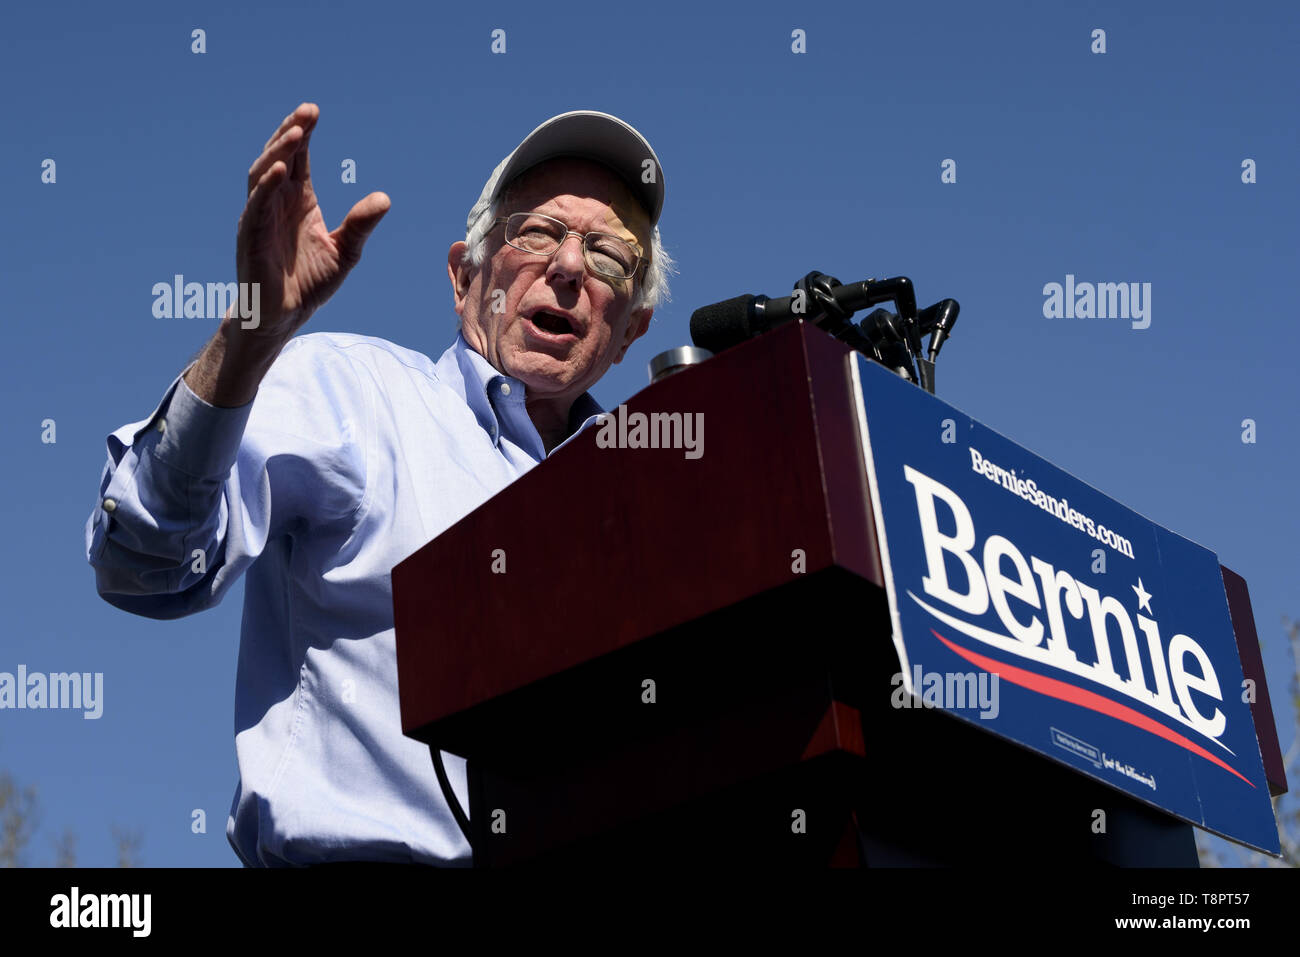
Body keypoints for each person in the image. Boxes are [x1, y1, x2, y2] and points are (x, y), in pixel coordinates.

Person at [84, 103, 671, 866]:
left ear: (631, 329)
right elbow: (144, 561)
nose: (566, 266)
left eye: (607, 256)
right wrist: (249, 337)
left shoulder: (649, 503)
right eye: (535, 231)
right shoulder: (351, 394)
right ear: (464, 279)